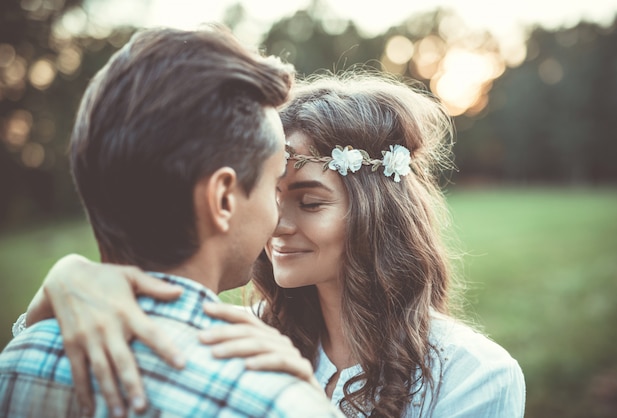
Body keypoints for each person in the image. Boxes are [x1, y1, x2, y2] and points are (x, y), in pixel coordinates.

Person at [14, 73, 526, 417]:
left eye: (310, 201)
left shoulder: (474, 376)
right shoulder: (247, 332)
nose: (276, 224)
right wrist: (67, 279)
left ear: (378, 215)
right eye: (271, 196)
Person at [0, 25, 344, 418]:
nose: (277, 216)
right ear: (221, 199)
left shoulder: (20, 359)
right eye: (272, 185)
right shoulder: (278, 401)